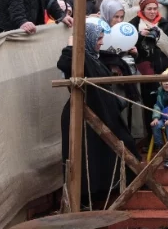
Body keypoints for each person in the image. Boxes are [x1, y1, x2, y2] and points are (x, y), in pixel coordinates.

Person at [57, 23, 138, 203]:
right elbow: (64, 63)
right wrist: (71, 46)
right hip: (85, 115)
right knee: (89, 159)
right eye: (98, 38)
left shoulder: (93, 58)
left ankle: (110, 190)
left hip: (103, 112)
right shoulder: (79, 57)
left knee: (118, 148)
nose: (101, 42)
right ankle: (88, 199)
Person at [130, 0, 168, 110]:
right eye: (149, 9)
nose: (152, 12)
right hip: (145, 69)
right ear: (142, 10)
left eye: (155, 8)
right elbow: (128, 43)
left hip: (164, 67)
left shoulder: (164, 23)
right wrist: (139, 35)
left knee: (167, 103)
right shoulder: (134, 24)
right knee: (149, 104)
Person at [151, 68, 168, 153]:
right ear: (161, 83)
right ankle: (159, 146)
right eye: (164, 81)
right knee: (155, 125)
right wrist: (156, 118)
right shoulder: (160, 93)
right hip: (163, 117)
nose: (166, 83)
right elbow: (157, 106)